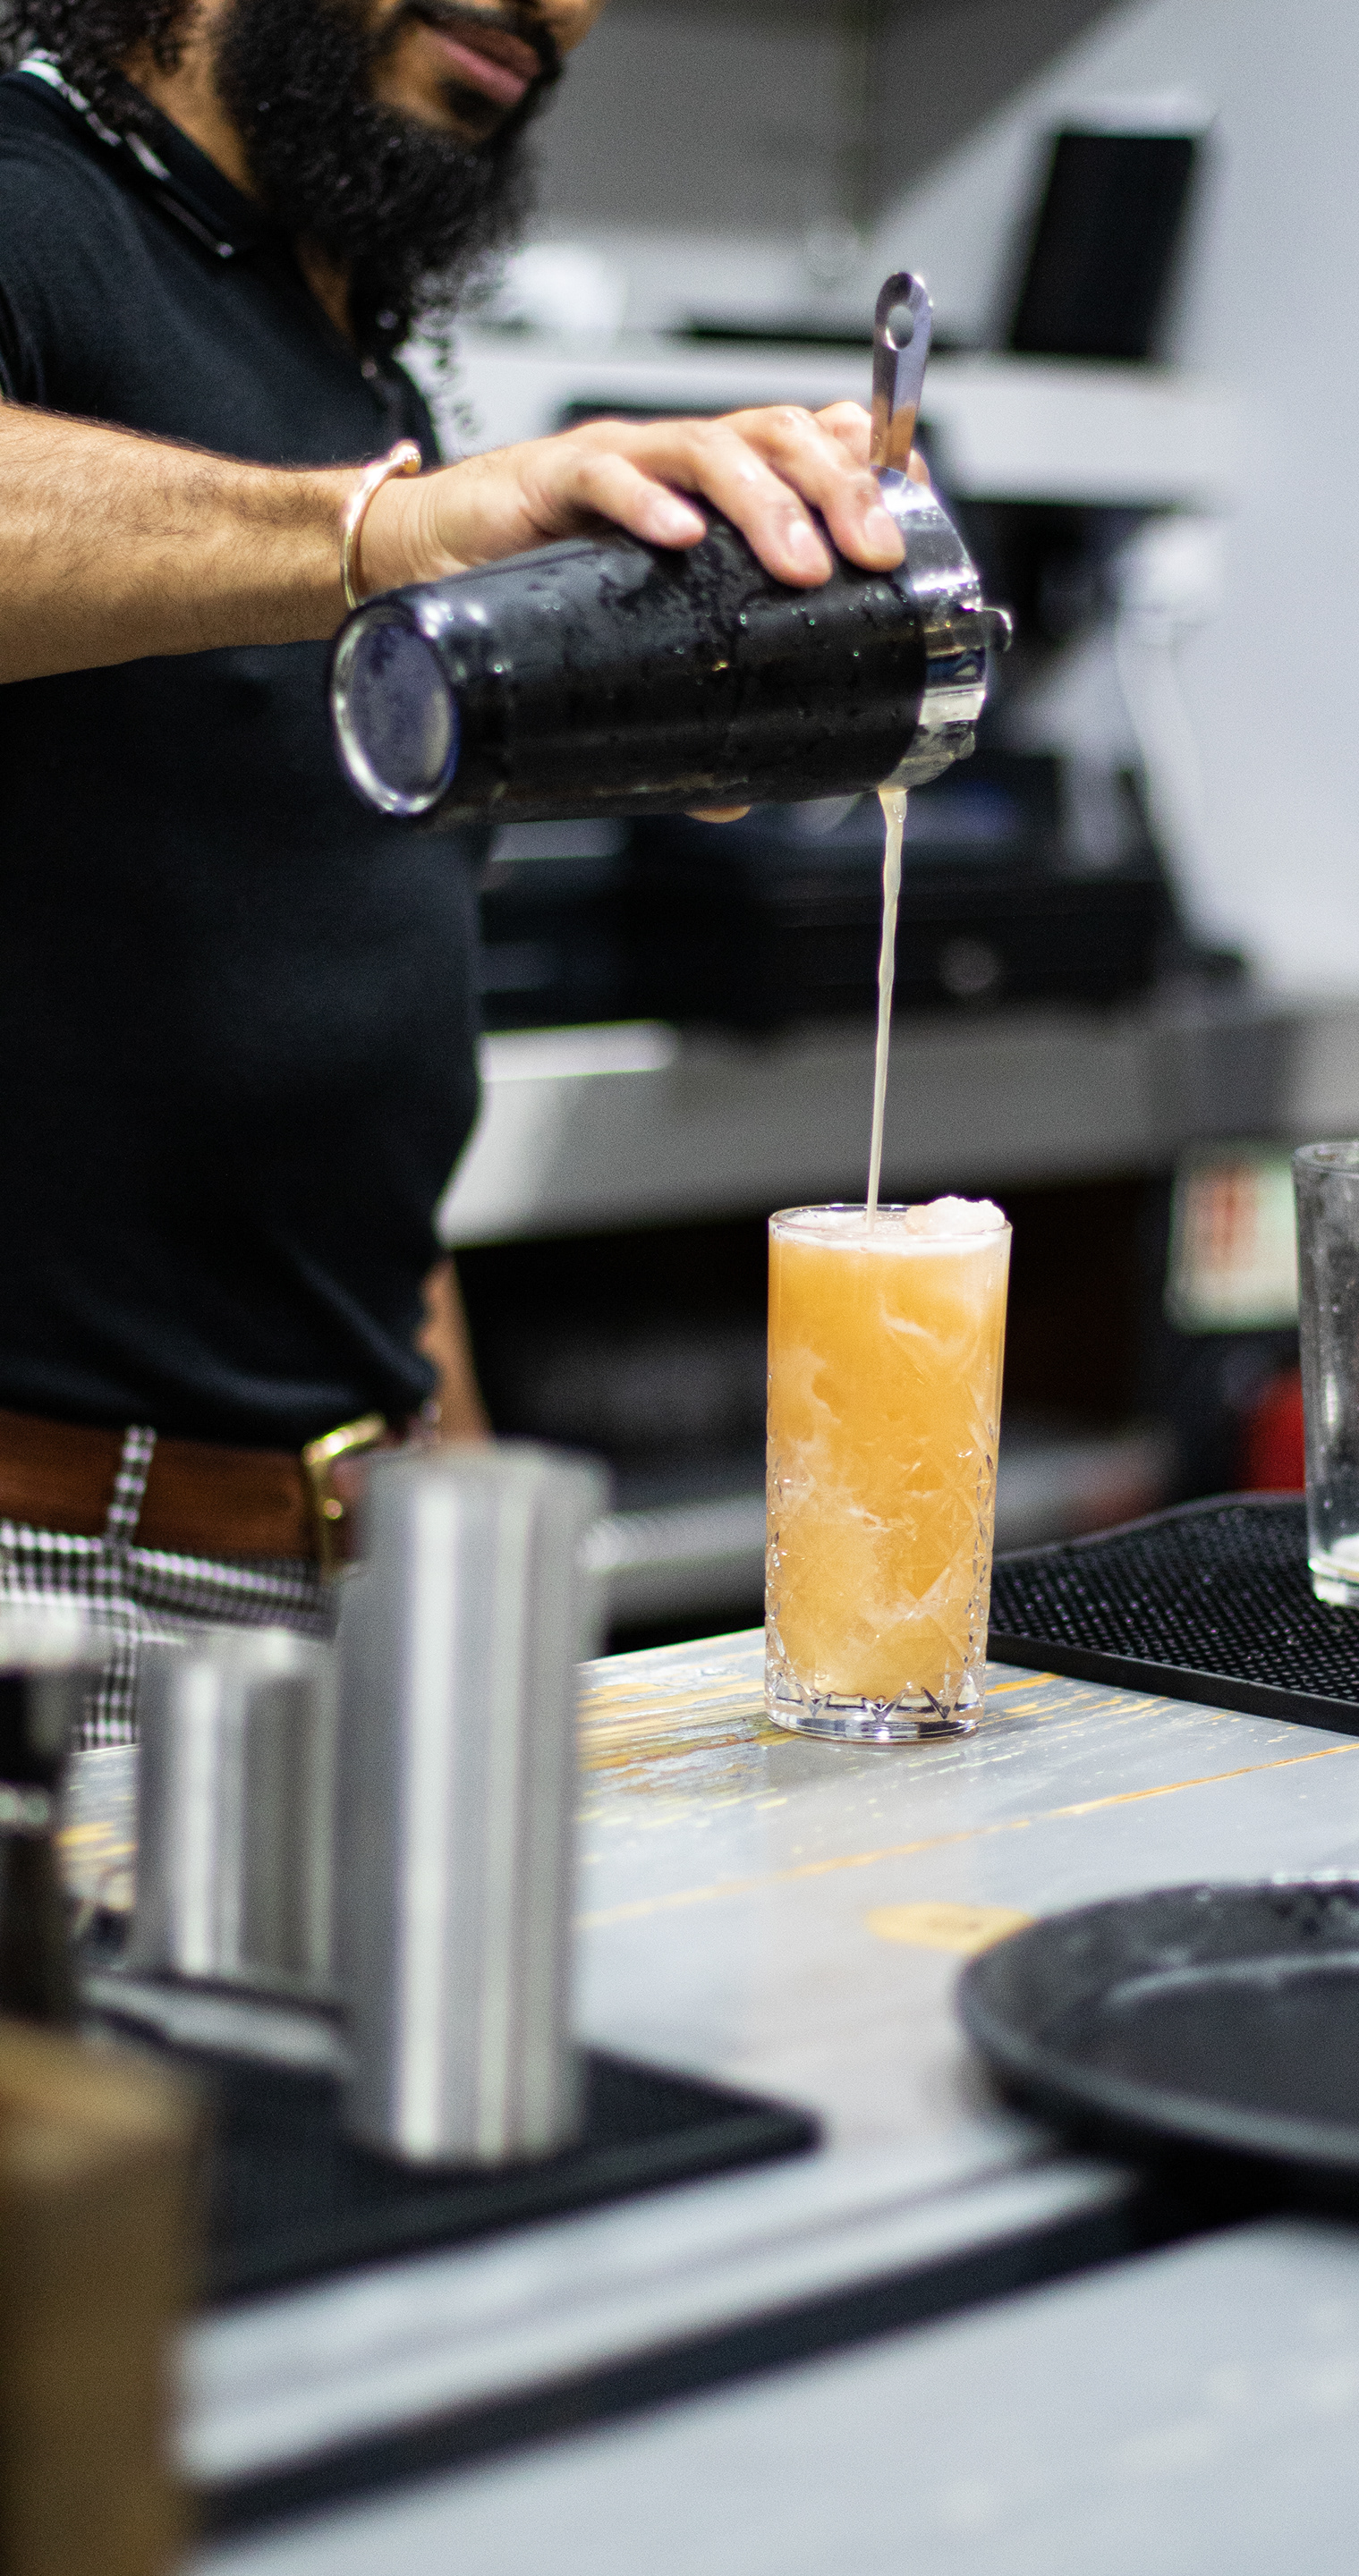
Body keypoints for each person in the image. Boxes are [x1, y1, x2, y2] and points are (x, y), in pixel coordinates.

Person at [0, 0, 907, 1734]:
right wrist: (383, 531)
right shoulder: (35, 208)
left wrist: (462, 1540)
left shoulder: (350, 364)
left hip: (349, 1553)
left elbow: (350, 1104)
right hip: (52, 1572)